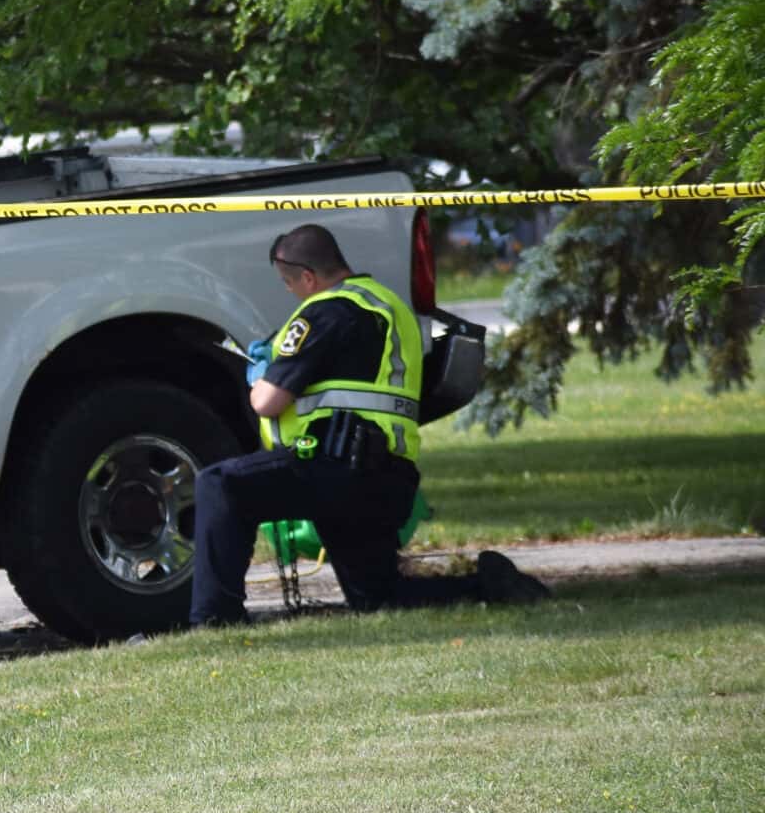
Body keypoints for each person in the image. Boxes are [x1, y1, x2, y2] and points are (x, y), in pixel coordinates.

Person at [187, 223, 551, 625]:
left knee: (219, 484)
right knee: (379, 598)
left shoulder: (324, 312)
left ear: (308, 277)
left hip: (332, 469)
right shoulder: (388, 306)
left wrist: (259, 372)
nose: (290, 291)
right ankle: (489, 586)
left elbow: (268, 402)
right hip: (387, 480)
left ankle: (214, 619)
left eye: (289, 283)